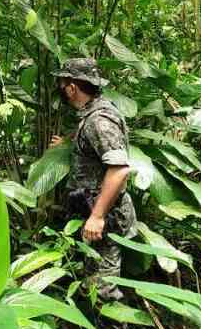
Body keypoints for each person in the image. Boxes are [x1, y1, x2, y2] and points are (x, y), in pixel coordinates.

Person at [51, 58, 137, 300]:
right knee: (91, 283)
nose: (61, 88)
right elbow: (92, 143)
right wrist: (67, 142)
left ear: (72, 87)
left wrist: (97, 216)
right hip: (92, 212)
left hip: (105, 218)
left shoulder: (99, 121)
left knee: (102, 291)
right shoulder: (93, 113)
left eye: (62, 83)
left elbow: (119, 169)